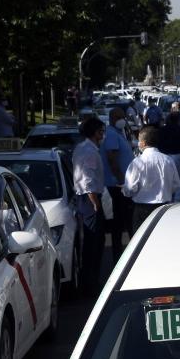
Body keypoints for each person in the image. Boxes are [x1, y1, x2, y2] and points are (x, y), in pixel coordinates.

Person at [70, 116, 109, 290]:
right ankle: (91, 283)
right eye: (101, 131)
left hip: (86, 198)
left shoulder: (84, 148)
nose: (103, 134)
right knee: (93, 242)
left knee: (92, 242)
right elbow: (88, 179)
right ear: (94, 133)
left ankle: (90, 280)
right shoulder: (90, 152)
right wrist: (95, 203)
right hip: (89, 199)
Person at [123, 125, 180, 220]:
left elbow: (130, 188)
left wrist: (125, 191)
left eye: (139, 141)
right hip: (163, 207)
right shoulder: (168, 160)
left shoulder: (137, 162)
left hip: (142, 208)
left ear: (143, 143)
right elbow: (176, 185)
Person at [100, 103, 135, 248]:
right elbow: (111, 158)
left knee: (123, 217)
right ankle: (118, 249)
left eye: (124, 117)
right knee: (121, 218)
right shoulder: (112, 134)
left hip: (121, 182)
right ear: (112, 118)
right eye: (120, 117)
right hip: (117, 184)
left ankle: (122, 246)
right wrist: (121, 180)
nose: (123, 119)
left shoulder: (119, 132)